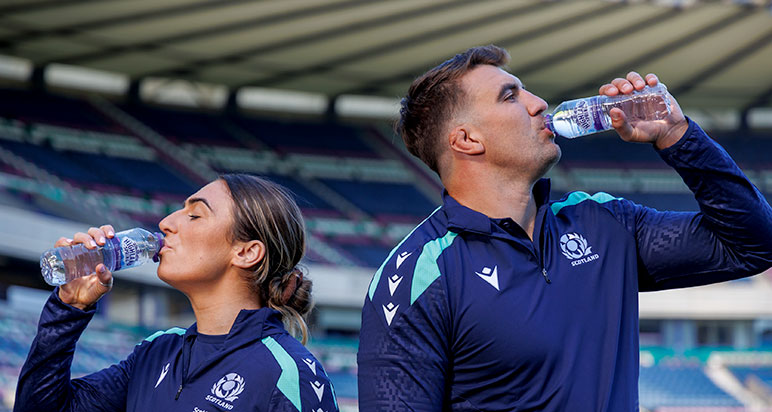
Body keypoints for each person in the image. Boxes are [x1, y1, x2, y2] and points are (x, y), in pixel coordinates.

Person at [357, 45, 772, 411]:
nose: (539, 104)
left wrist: (678, 136)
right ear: (466, 139)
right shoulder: (414, 278)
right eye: (510, 97)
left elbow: (754, 244)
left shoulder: (605, 223)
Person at [15, 174, 339, 412]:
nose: (166, 222)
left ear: (246, 252)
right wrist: (68, 308)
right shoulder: (157, 352)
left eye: (194, 215)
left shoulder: (286, 373)